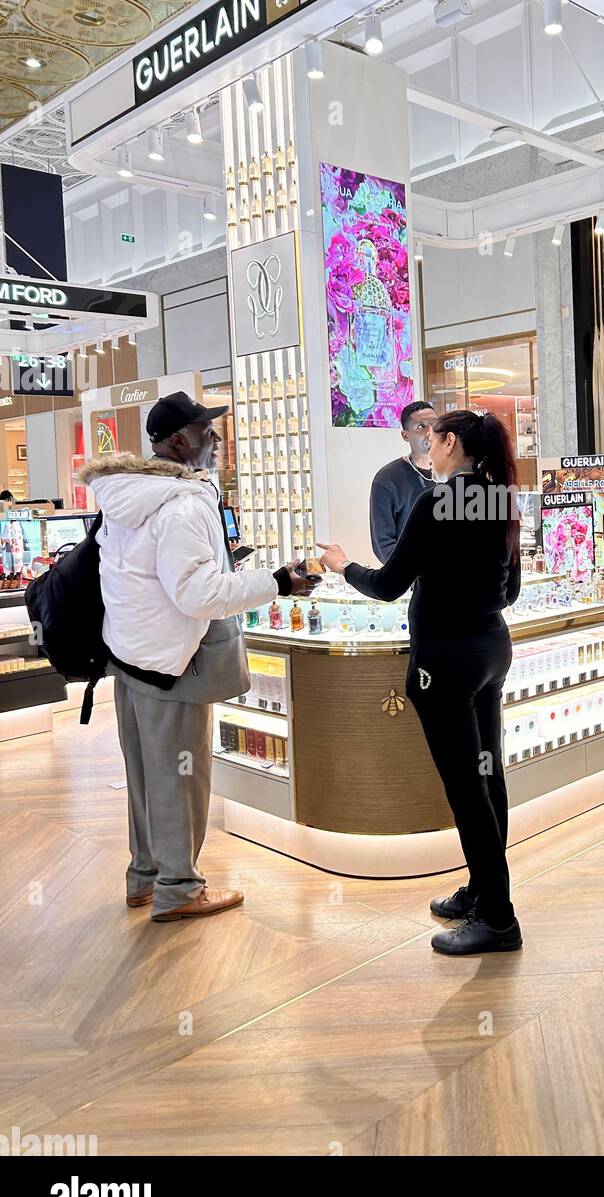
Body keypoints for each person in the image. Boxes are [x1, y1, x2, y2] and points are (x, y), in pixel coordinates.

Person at [81, 392, 315, 922]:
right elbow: (199, 595)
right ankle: (181, 889)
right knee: (182, 779)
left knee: (144, 774)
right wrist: (277, 581)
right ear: (180, 441)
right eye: (206, 431)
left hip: (128, 654)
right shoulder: (185, 504)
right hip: (174, 661)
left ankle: (144, 877)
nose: (215, 439)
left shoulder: (124, 496)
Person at [319, 409, 523, 956]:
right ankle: (486, 890)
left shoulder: (437, 501)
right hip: (490, 649)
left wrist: (342, 566)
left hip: (446, 662)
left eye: (432, 440)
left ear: (450, 441)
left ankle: (499, 920)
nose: (427, 450)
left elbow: (388, 584)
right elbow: (511, 592)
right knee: (488, 775)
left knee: (466, 790)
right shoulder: (500, 498)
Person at [369, 400, 437, 561]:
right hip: (411, 580)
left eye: (435, 424)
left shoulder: (454, 474)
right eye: (421, 426)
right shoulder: (387, 479)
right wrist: (411, 577)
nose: (430, 432)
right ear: (405, 435)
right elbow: (383, 543)